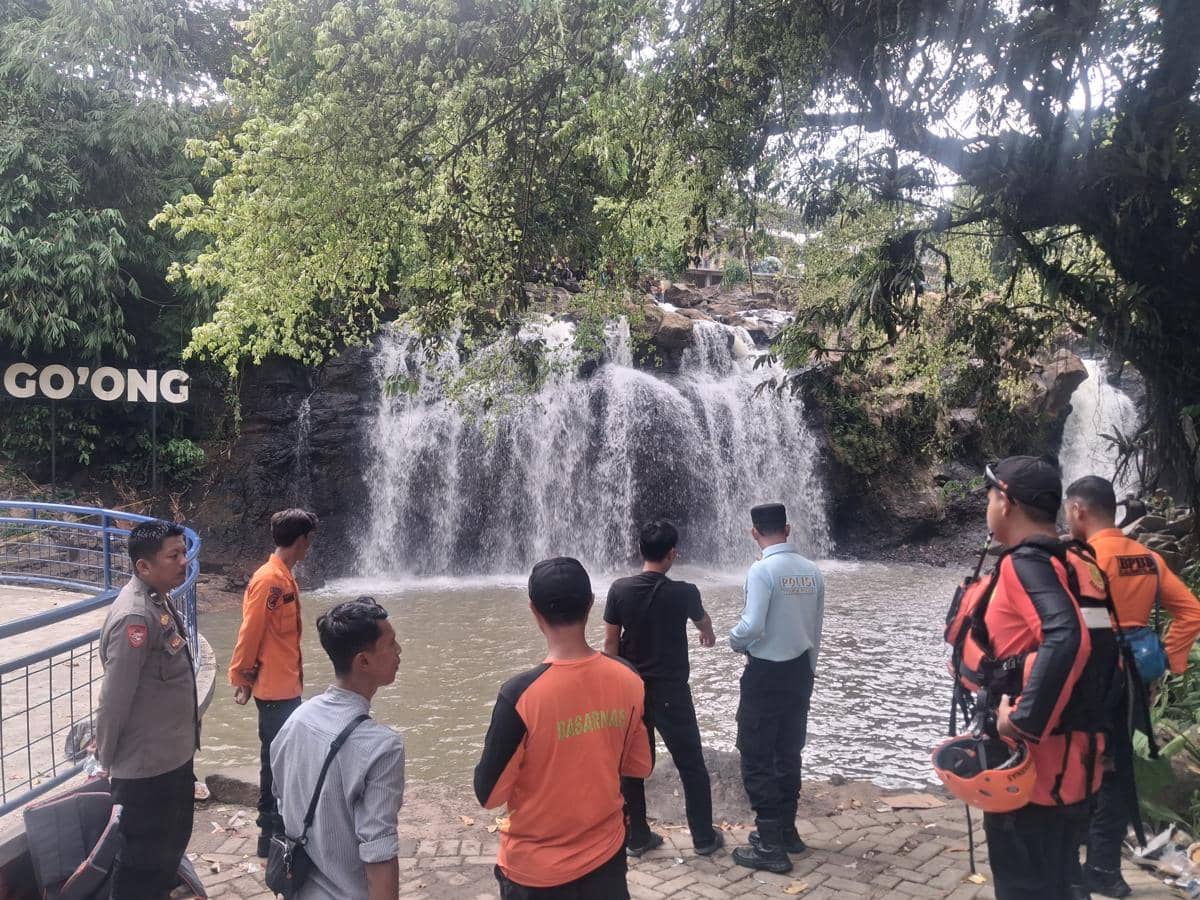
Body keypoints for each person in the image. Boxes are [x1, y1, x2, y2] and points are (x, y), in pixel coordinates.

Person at [949, 456, 1107, 900]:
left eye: (990, 497)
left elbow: (1067, 636)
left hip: (1030, 774)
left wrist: (1021, 718)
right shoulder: (1071, 561)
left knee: (1024, 885)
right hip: (1071, 762)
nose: (987, 506)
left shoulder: (1025, 566)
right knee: (1059, 882)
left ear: (1006, 502)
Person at [475, 557, 653, 899]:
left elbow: (490, 795)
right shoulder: (629, 678)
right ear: (590, 603)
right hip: (607, 859)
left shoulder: (520, 696)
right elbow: (640, 766)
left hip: (537, 871)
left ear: (534, 610)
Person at [1066, 476, 1200, 898]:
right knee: (1118, 767)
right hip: (1133, 681)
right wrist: (1169, 661)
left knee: (1077, 764)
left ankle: (1078, 865)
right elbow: (1192, 612)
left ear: (1078, 510)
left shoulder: (1082, 560)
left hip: (1090, 679)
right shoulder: (1146, 558)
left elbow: (1064, 627)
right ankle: (1105, 867)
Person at [270, 596, 405, 900]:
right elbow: (378, 850)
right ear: (363, 661)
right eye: (391, 644)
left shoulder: (298, 719)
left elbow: (281, 796)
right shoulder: (383, 748)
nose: (399, 652)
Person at [603, 519, 721, 857]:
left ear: (640, 550)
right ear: (672, 555)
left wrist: (613, 683)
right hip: (672, 693)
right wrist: (708, 635)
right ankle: (703, 838)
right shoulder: (684, 592)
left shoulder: (620, 589)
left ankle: (637, 837)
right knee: (691, 764)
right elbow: (704, 622)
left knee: (632, 766)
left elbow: (610, 642)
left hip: (631, 690)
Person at [95, 520, 200, 899]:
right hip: (147, 770)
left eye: (183, 553)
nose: (184, 562)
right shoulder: (135, 617)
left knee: (166, 852)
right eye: (173, 556)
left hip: (170, 759)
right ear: (143, 566)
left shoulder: (158, 597)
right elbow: (114, 698)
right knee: (141, 862)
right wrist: (103, 759)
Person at [728, 503, 825, 874]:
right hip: (800, 672)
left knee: (755, 754)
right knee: (788, 751)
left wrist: (734, 641)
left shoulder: (762, 570)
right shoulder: (812, 571)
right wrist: (811, 672)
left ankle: (769, 844)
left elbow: (751, 626)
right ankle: (787, 831)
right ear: (787, 528)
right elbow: (816, 629)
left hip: (766, 674)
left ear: (755, 532)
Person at [228, 508, 319, 857]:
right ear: (302, 540)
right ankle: (270, 833)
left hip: (285, 684)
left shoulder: (283, 576)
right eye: (309, 540)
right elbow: (250, 632)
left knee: (281, 757)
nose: (310, 547)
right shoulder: (270, 580)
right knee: (275, 759)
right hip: (275, 689)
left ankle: (277, 828)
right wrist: (241, 676)